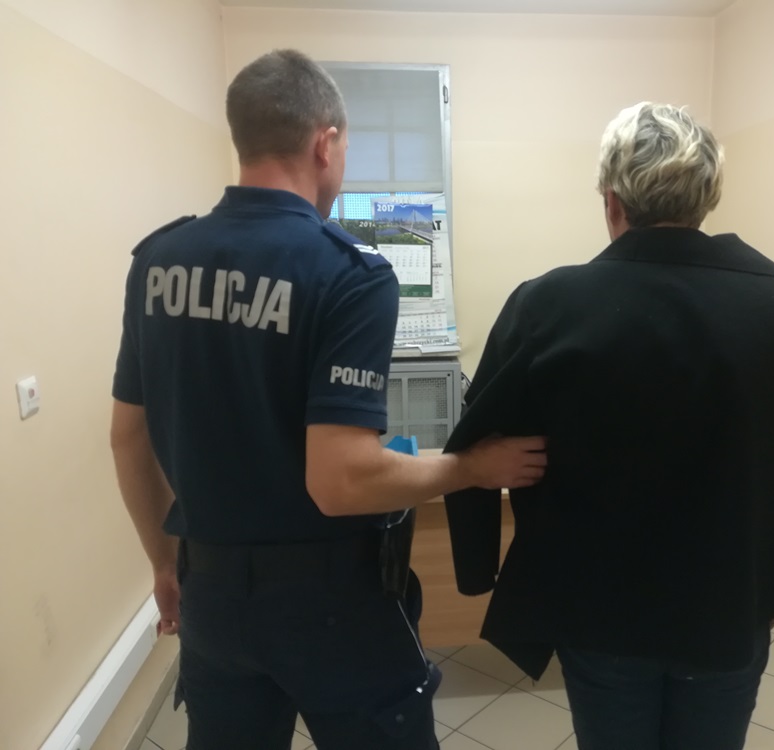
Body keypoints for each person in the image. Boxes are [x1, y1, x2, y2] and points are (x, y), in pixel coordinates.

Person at [109, 49, 546, 750]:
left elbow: (128, 436)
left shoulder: (158, 261)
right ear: (326, 142)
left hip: (210, 592)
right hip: (332, 605)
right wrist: (471, 467)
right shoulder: (347, 273)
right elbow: (342, 481)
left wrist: (164, 565)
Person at [442, 102, 774, 750]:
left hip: (598, 608)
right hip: (731, 604)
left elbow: (475, 441)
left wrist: (476, 567)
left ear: (611, 201)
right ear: (706, 198)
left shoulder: (546, 306)